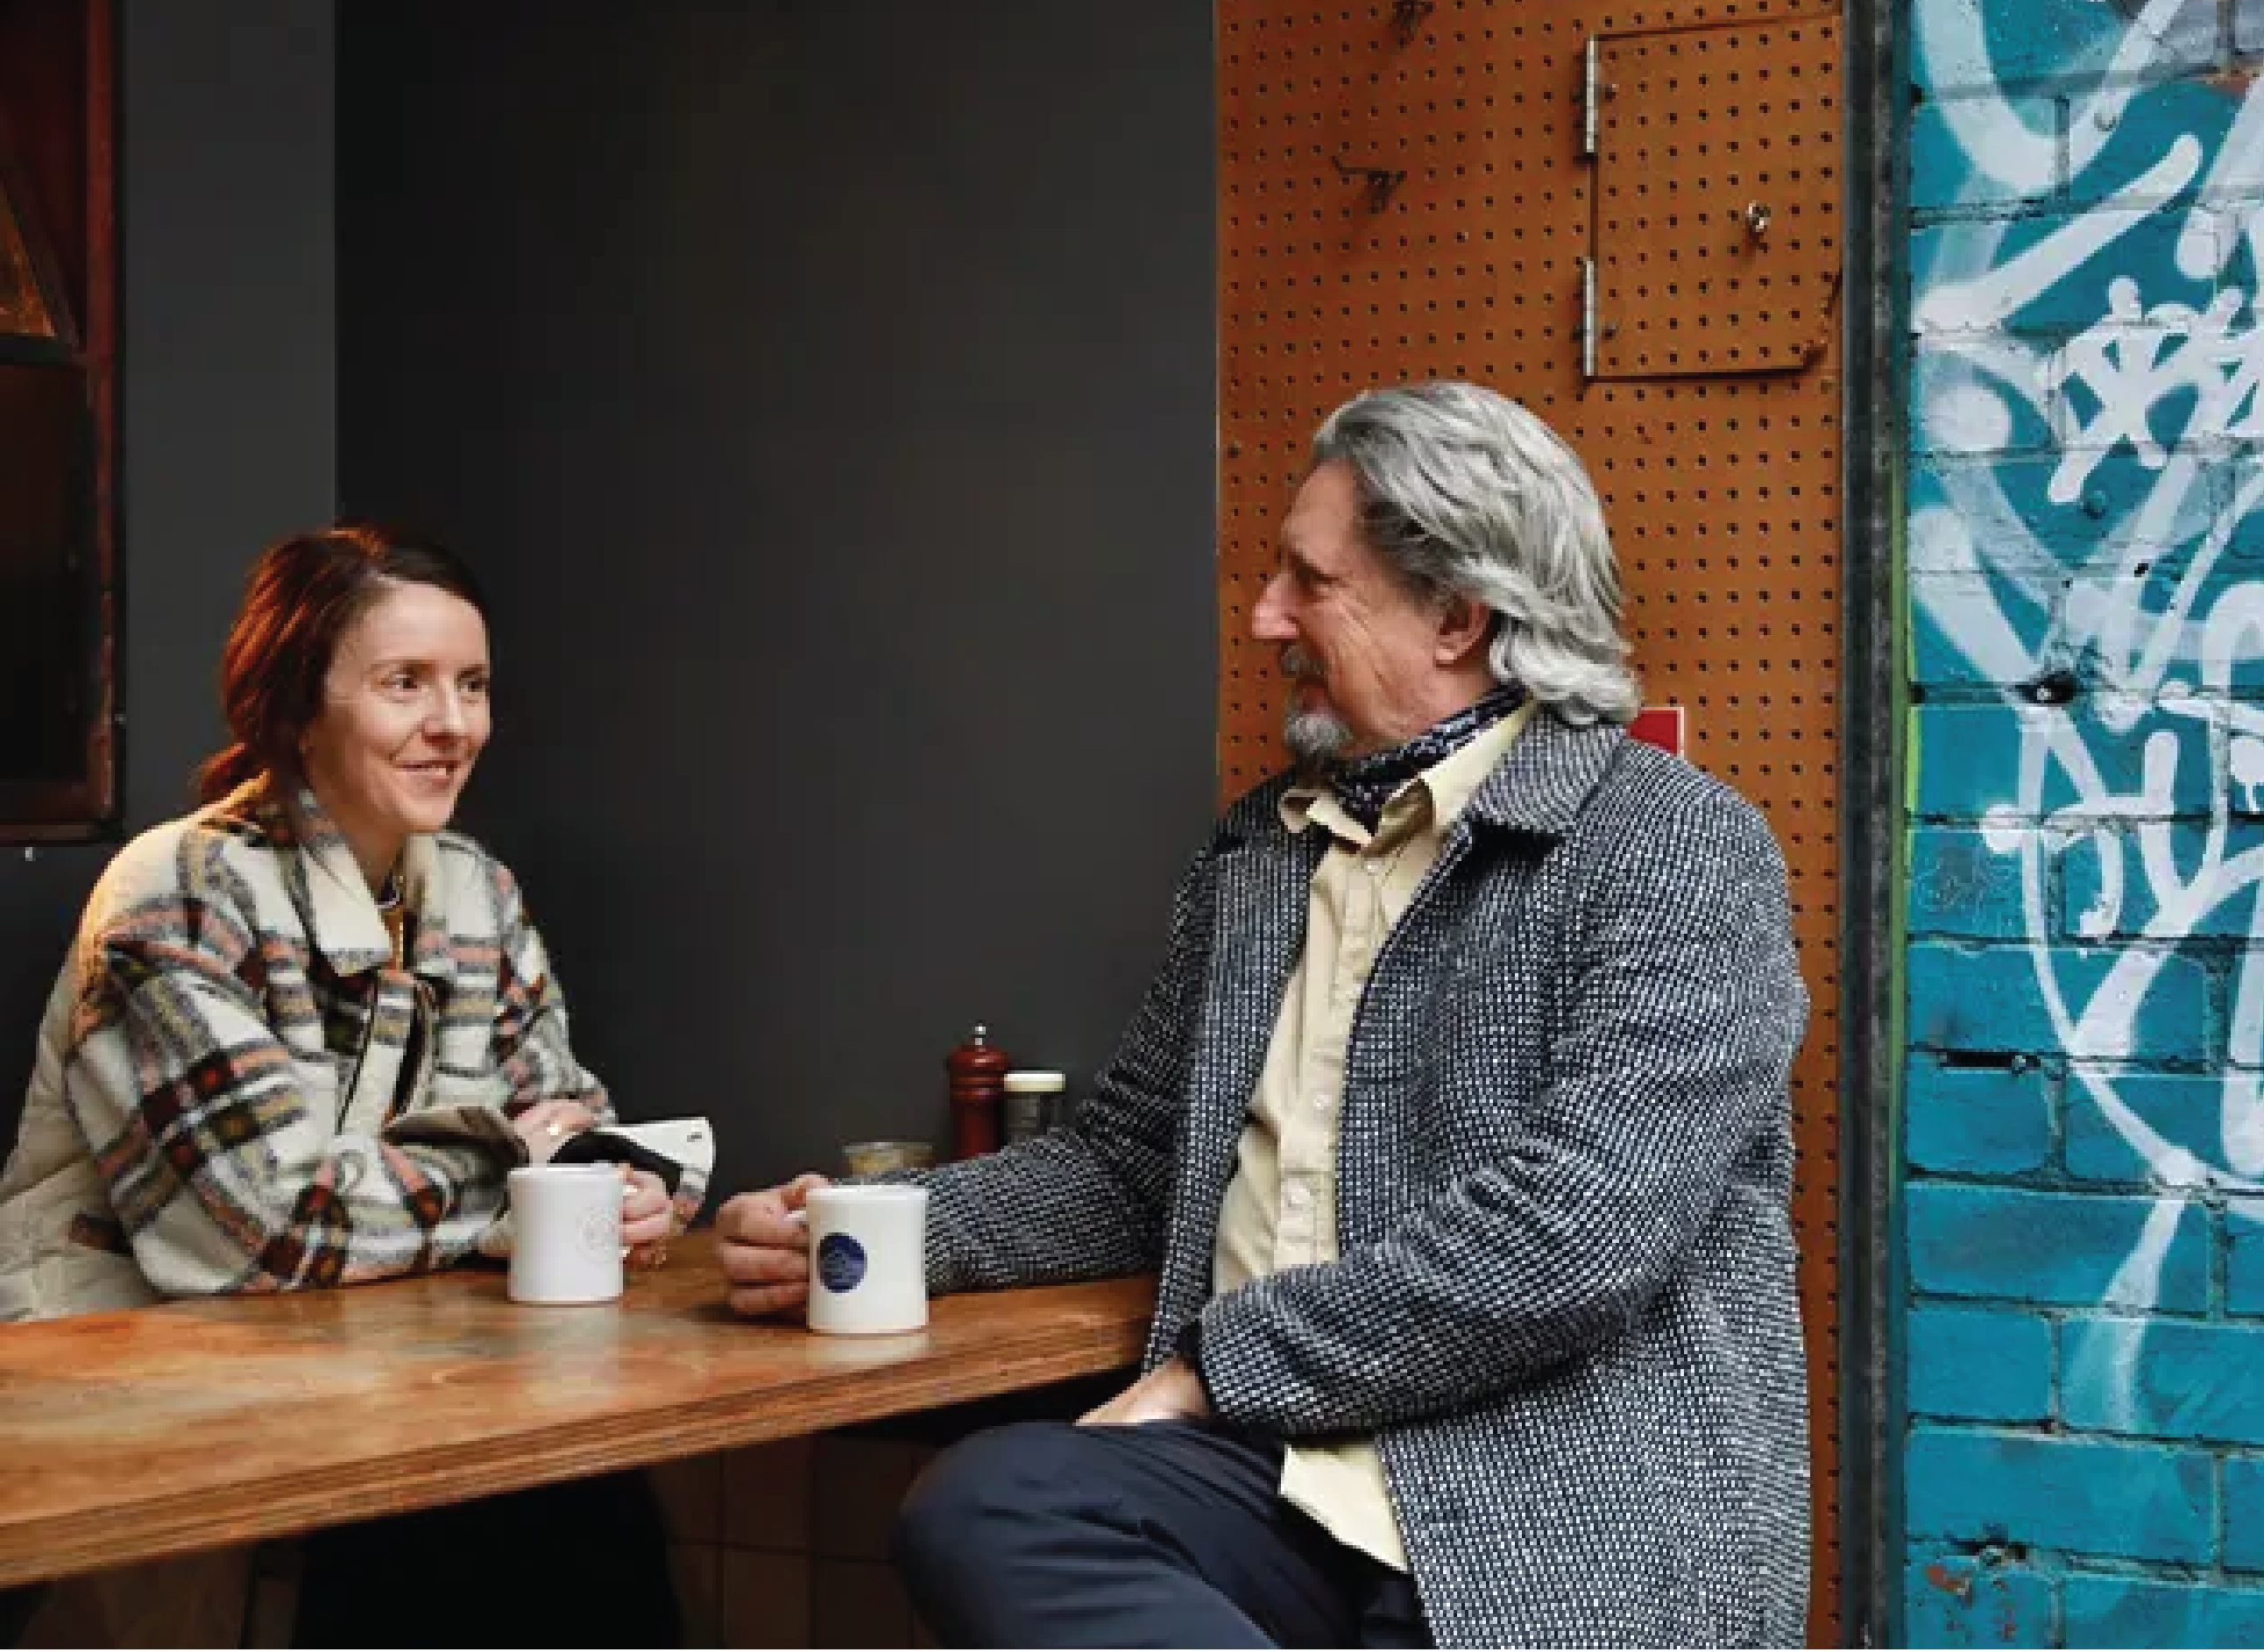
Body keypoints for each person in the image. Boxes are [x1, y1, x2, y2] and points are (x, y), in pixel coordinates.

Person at [717, 382, 1811, 1648]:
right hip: (1275, 1483)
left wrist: (1211, 1371)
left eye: (1308, 580)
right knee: (987, 1507)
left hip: (1549, 1515)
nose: (1262, 617)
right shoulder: (1260, 853)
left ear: (1456, 614)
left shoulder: (1671, 845)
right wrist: (872, 1230)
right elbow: (1131, 1164)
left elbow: (1577, 1230)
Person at [0, 526, 705, 1645]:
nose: (453, 725)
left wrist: (621, 1194)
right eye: (403, 685)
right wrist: (511, 1187)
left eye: (471, 685)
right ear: (290, 710)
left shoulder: (476, 889)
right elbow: (256, 1229)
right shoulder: (177, 891)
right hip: (127, 1396)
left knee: (590, 1511)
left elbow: (573, 1127)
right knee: (442, 1553)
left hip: (371, 1383)